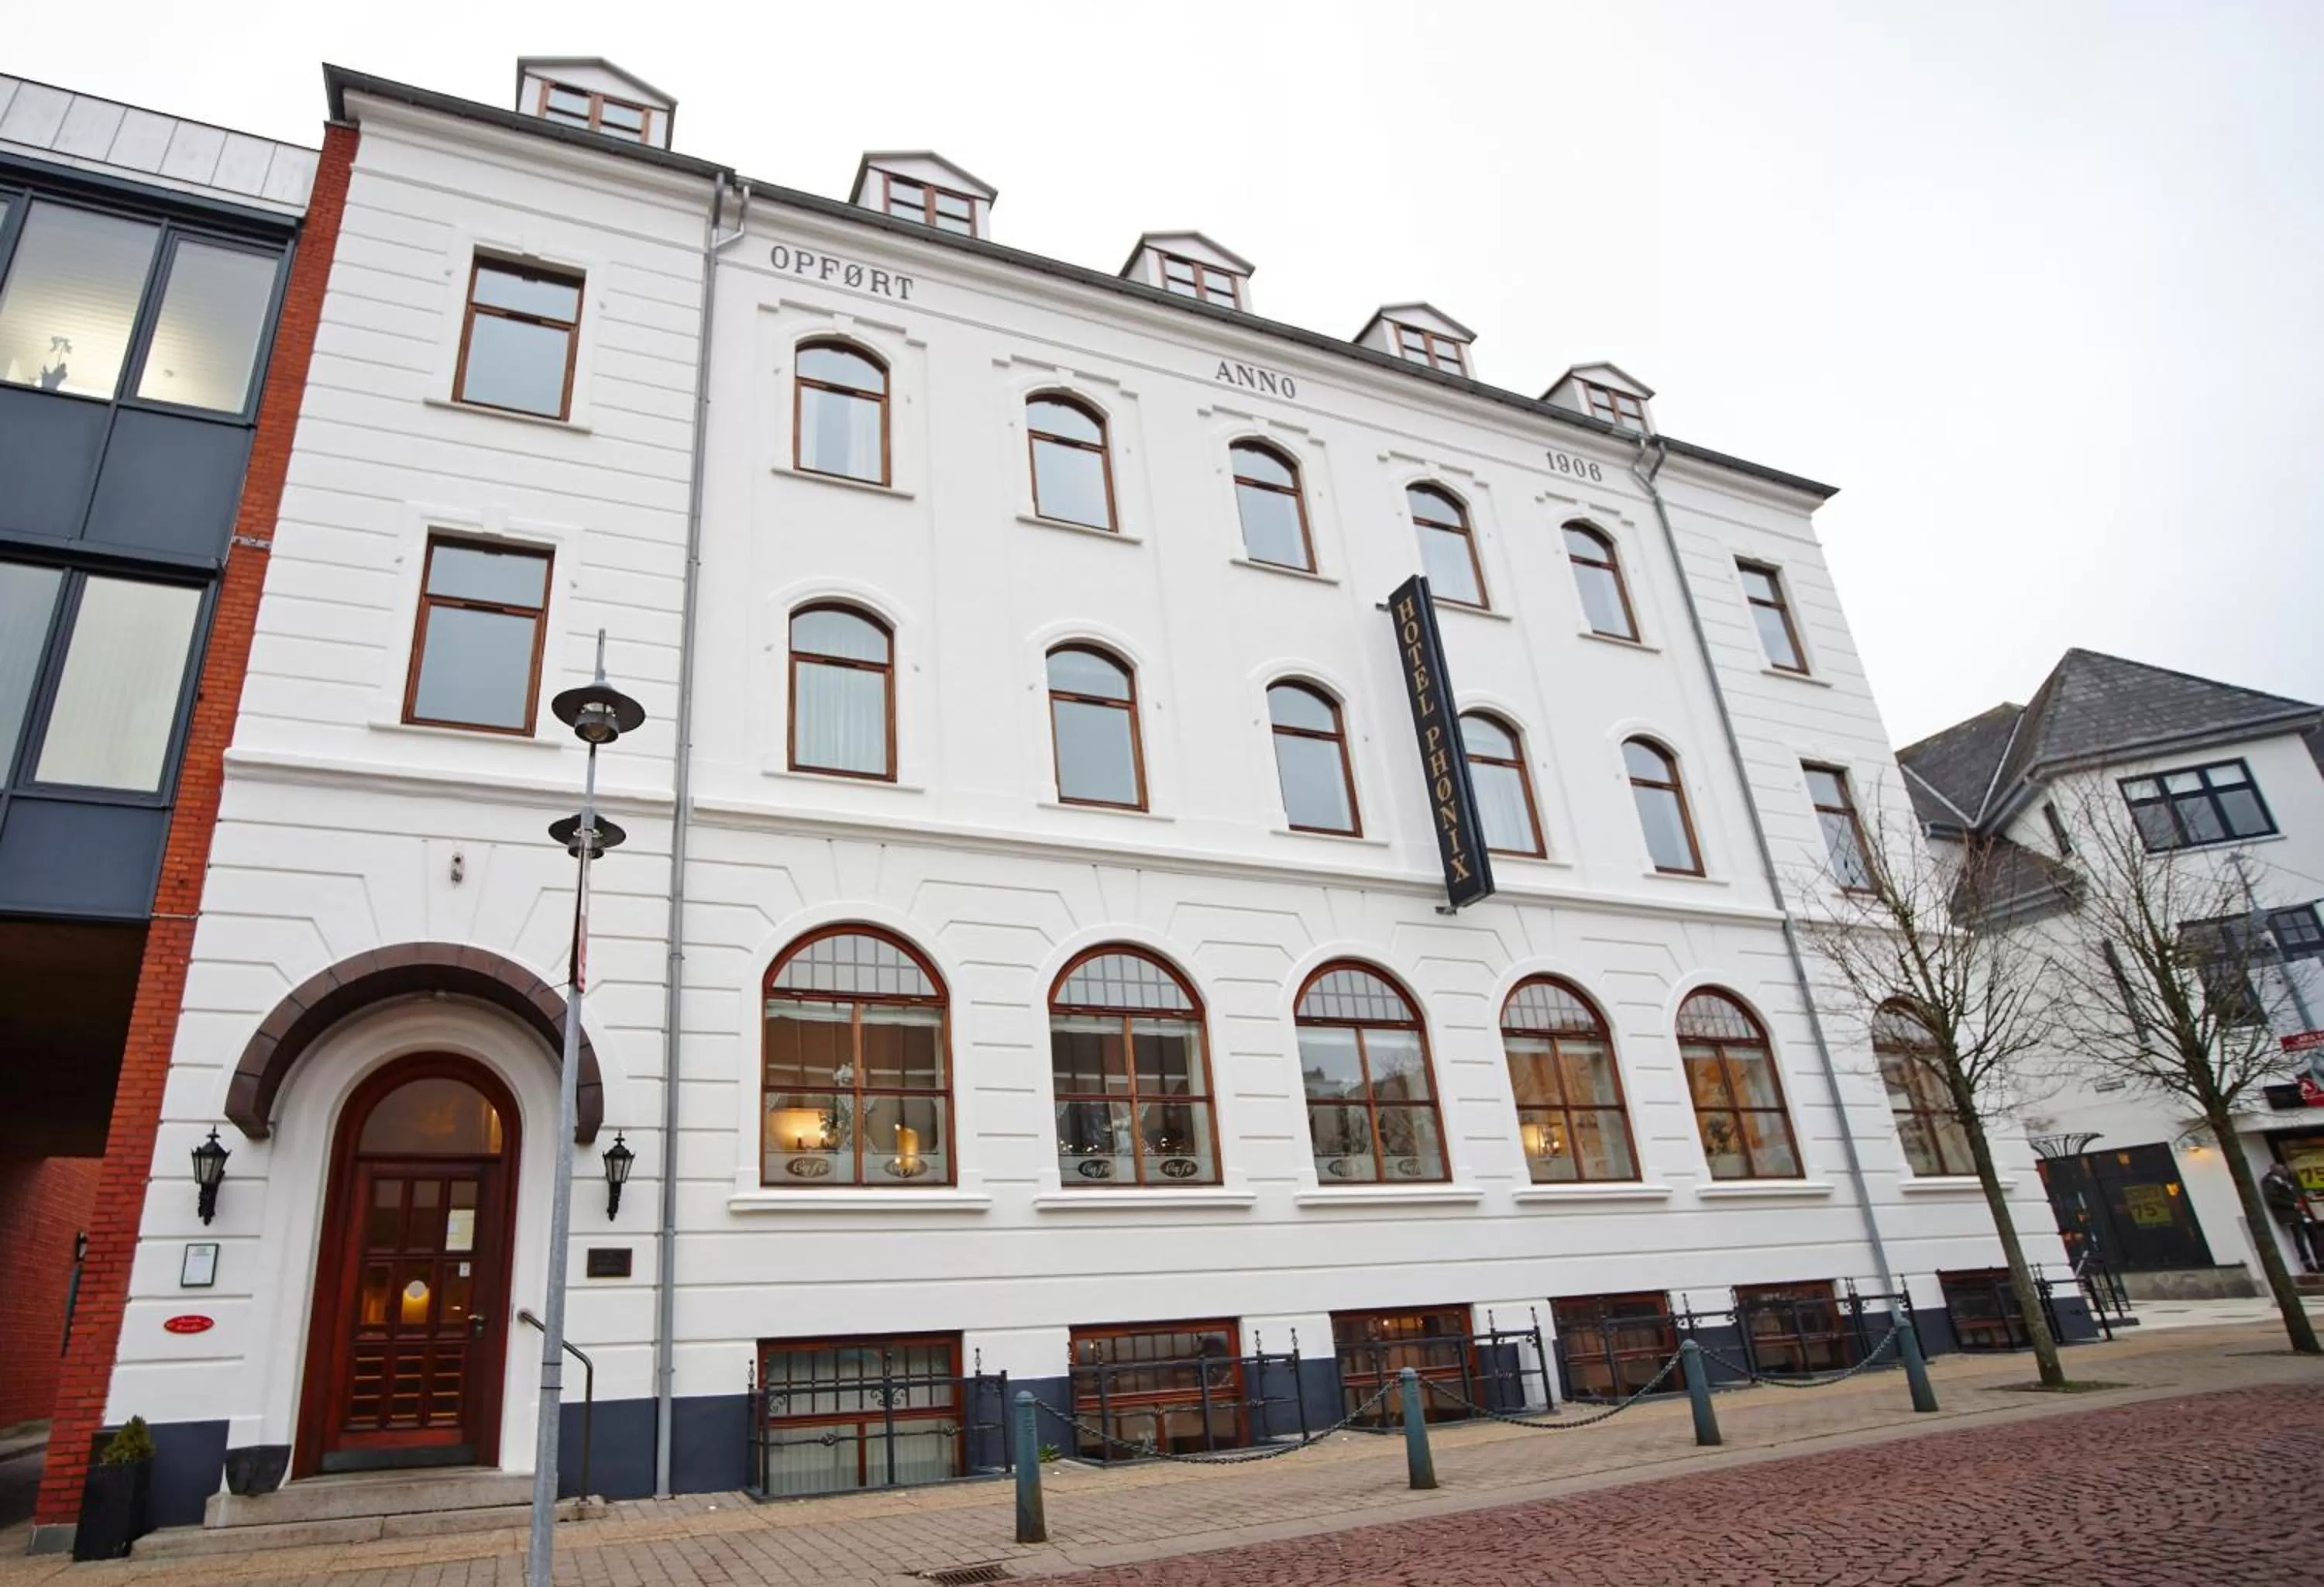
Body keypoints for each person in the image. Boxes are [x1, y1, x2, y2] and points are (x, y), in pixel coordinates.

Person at [2261, 1162, 2316, 1272]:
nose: (2286, 1172)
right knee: (2300, 1238)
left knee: (2314, 1234)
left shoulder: (2288, 1180)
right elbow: (2273, 1199)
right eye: (2283, 1170)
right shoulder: (2270, 1183)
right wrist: (2293, 1205)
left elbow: (2297, 1192)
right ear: (2276, 1171)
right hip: (2291, 1215)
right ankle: (2307, 1263)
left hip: (2302, 1213)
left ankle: (2320, 1261)